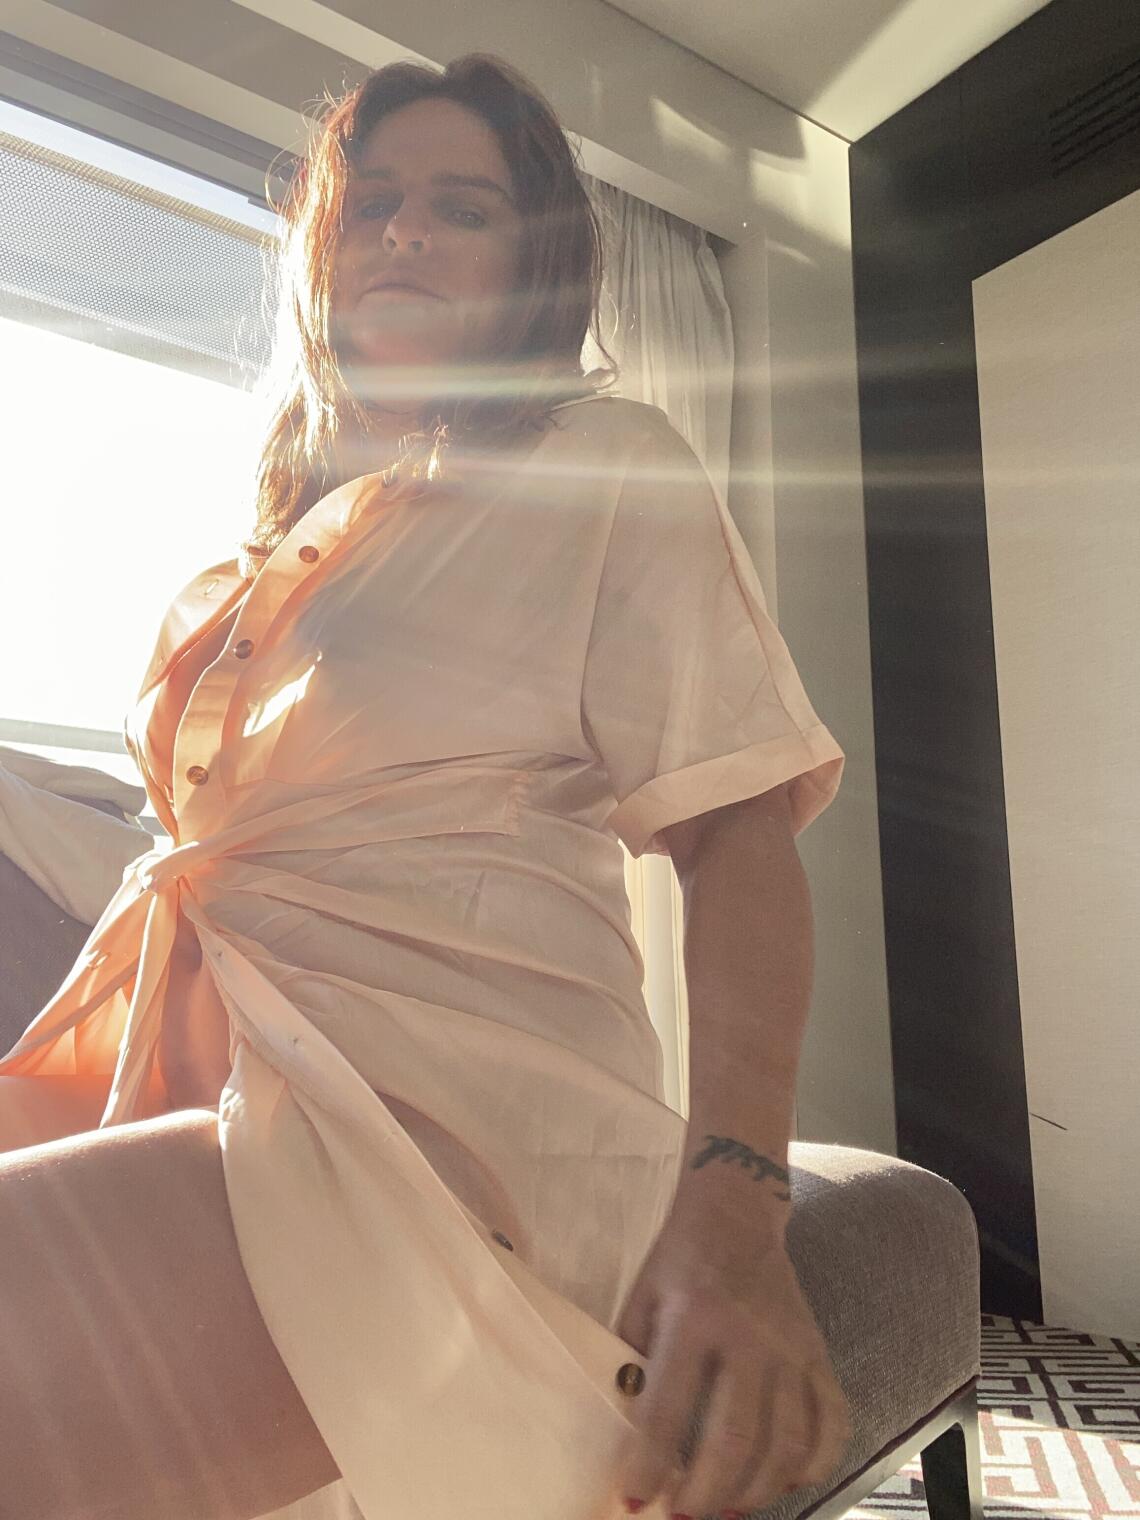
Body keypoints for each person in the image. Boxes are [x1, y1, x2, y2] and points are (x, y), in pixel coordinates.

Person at [0, 51, 854, 1520]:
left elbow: (737, 837)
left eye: (463, 208)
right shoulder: (253, 565)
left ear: (535, 264)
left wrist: (735, 1204)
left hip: (446, 1133)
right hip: (229, 1086)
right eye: (374, 201)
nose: (404, 229)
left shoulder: (601, 463)